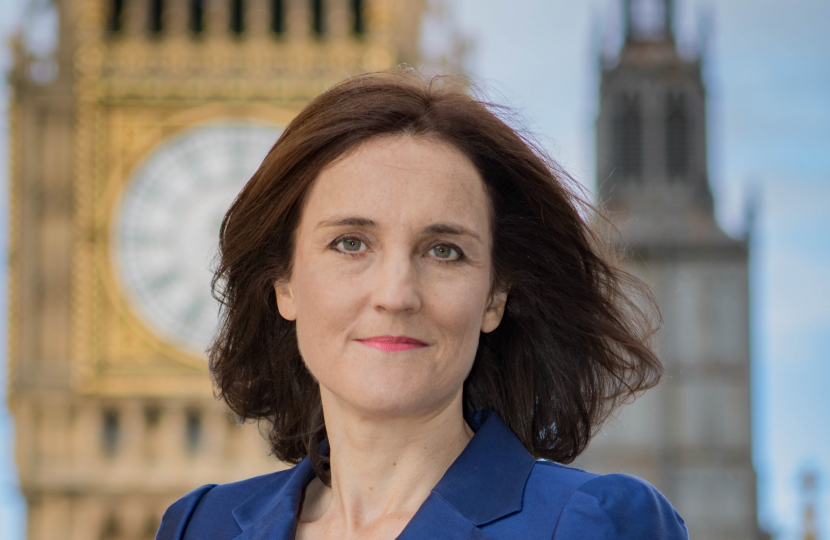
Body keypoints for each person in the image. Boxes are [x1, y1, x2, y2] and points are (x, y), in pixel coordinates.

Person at [156, 70, 688, 540]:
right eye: (350, 243)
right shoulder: (203, 526)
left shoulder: (594, 524)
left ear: (494, 297)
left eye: (444, 251)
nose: (395, 295)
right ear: (284, 284)